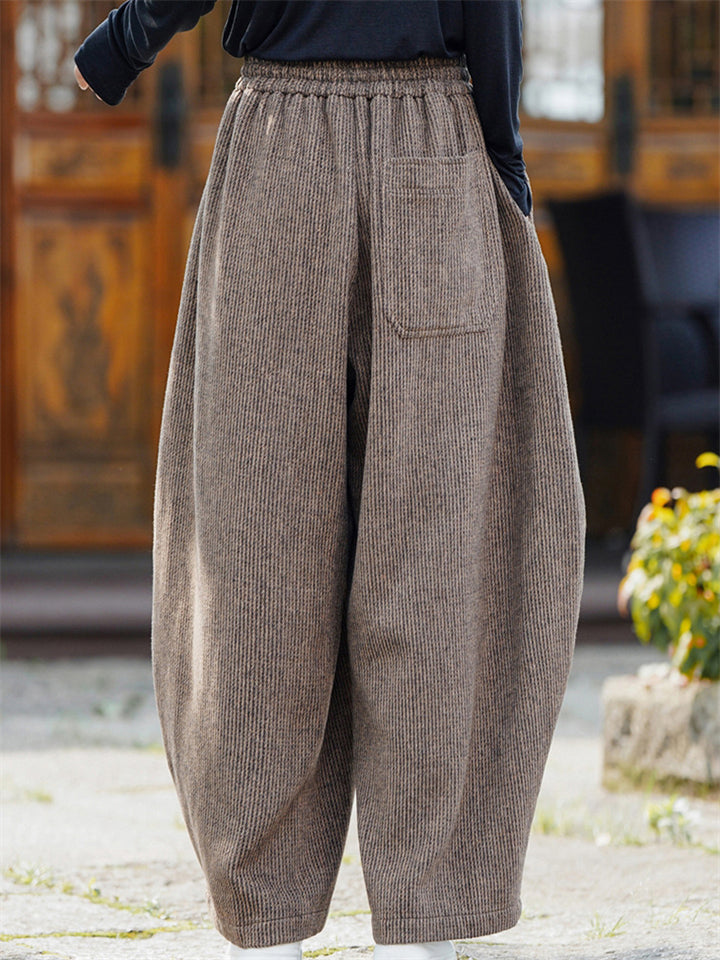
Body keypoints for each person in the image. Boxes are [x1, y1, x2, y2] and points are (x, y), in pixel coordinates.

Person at [74, 3, 586, 960]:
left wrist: (123, 43)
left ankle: (264, 905)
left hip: (282, 147)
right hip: (436, 139)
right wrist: (504, 161)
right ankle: (436, 905)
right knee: (437, 550)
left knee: (257, 544)